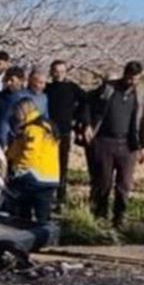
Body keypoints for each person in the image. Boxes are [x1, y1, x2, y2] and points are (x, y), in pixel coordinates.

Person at [85, 60, 144, 226]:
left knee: (124, 185)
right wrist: (87, 125)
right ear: (124, 74)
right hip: (104, 141)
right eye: (129, 78)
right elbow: (86, 102)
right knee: (103, 184)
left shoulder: (139, 95)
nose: (132, 82)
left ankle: (119, 220)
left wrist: (143, 146)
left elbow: (141, 122)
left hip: (128, 145)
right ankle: (99, 219)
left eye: (135, 79)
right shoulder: (108, 89)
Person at [5, 98, 62, 224]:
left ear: (23, 111)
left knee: (22, 210)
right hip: (50, 177)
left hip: (35, 177)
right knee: (43, 214)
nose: (15, 115)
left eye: (17, 112)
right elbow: (16, 150)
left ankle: (24, 234)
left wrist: (17, 170)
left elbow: (30, 153)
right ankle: (47, 238)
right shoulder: (46, 125)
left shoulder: (33, 129)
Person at [45, 59, 85, 207]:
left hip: (64, 132)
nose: (59, 74)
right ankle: (47, 196)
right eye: (56, 71)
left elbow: (85, 101)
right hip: (47, 133)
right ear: (51, 72)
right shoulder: (46, 88)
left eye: (62, 71)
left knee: (62, 165)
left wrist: (77, 118)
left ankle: (61, 197)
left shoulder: (72, 88)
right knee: (47, 165)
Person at [0, 66, 50, 146]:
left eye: (43, 83)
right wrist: (4, 142)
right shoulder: (17, 97)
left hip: (37, 140)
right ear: (31, 81)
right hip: (18, 140)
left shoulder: (44, 98)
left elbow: (46, 118)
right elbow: (5, 120)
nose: (41, 86)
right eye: (38, 82)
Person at [0, 66, 28, 144]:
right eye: (7, 80)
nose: (9, 83)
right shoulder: (0, 97)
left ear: (21, 81)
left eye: (12, 80)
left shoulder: (27, 98)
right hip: (0, 140)